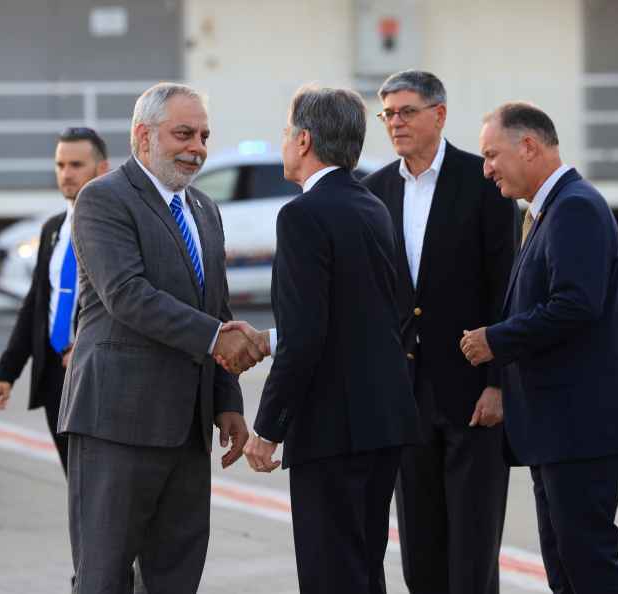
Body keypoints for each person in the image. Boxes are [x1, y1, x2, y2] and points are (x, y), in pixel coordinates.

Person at [462, 102, 618, 594]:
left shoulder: (575, 207)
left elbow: (576, 305)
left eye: (492, 154)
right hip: (555, 426)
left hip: (580, 425)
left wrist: (495, 341)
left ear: (530, 146)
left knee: (589, 566)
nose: (486, 168)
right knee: (565, 567)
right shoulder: (548, 212)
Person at [59, 82, 261, 594]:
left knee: (176, 575)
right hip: (117, 423)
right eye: (183, 134)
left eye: (204, 136)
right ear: (142, 134)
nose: (197, 147)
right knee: (103, 577)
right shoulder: (103, 200)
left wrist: (227, 399)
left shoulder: (204, 210)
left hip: (187, 430)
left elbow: (216, 305)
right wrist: (218, 339)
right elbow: (127, 295)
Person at [241, 85, 420, 594]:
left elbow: (307, 337)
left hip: (331, 430)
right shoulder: (371, 205)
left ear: (302, 140)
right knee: (364, 568)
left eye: (284, 133)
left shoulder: (302, 215)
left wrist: (268, 428)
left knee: (330, 576)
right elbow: (361, 315)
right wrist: (272, 339)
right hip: (381, 421)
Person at [360, 70, 516, 594]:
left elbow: (505, 290)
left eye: (407, 111)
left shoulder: (486, 183)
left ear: (440, 115)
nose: (396, 123)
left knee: (472, 553)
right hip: (405, 397)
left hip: (474, 393)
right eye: (388, 114)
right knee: (420, 552)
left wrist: (498, 382)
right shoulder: (374, 191)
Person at [0, 127, 109, 471]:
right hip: (54, 373)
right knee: (77, 486)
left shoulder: (116, 226)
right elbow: (36, 304)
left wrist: (88, 345)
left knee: (100, 487)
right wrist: (5, 373)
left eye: (76, 164)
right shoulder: (53, 228)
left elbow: (125, 301)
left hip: (94, 371)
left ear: (102, 169)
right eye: (60, 165)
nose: (66, 174)